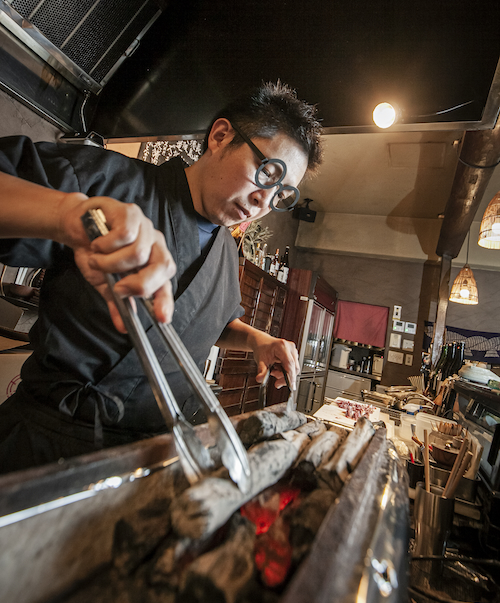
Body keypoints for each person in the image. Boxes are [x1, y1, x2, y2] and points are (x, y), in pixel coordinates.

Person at [0, 81, 323, 472]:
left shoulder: (225, 249)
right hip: (45, 450)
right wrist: (69, 216)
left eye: (282, 195)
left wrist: (258, 340)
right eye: (268, 173)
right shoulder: (111, 182)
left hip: (156, 460)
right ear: (221, 136)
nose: (264, 201)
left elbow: (202, 322)